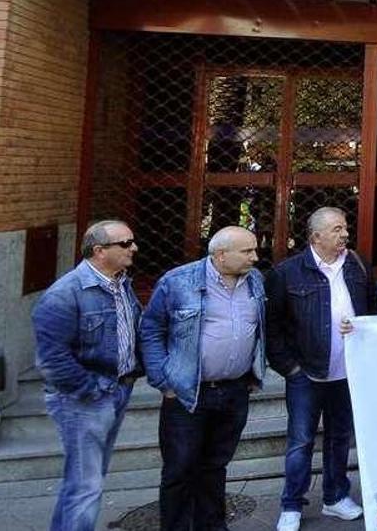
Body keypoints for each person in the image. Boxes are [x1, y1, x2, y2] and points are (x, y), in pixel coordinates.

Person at [140, 226, 266, 531]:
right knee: (180, 469)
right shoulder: (178, 282)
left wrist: (253, 371)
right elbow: (151, 330)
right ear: (221, 255)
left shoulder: (256, 282)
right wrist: (163, 379)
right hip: (188, 392)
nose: (255, 257)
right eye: (247, 251)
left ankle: (212, 525)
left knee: (215, 466)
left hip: (235, 391)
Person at [266, 207, 377, 531]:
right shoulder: (287, 273)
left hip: (346, 373)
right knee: (300, 440)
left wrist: (361, 330)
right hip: (306, 374)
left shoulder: (358, 267)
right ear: (316, 237)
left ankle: (335, 496)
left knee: (340, 437)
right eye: (337, 229)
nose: (345, 234)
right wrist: (289, 368)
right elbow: (272, 328)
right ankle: (291, 505)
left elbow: (372, 311)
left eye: (345, 228)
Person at [32, 220, 143, 531]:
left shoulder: (121, 283)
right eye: (125, 243)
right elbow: (52, 360)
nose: (133, 248)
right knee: (85, 485)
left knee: (86, 481)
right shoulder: (65, 294)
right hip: (85, 399)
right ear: (99, 251)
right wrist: (91, 390)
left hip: (117, 390)